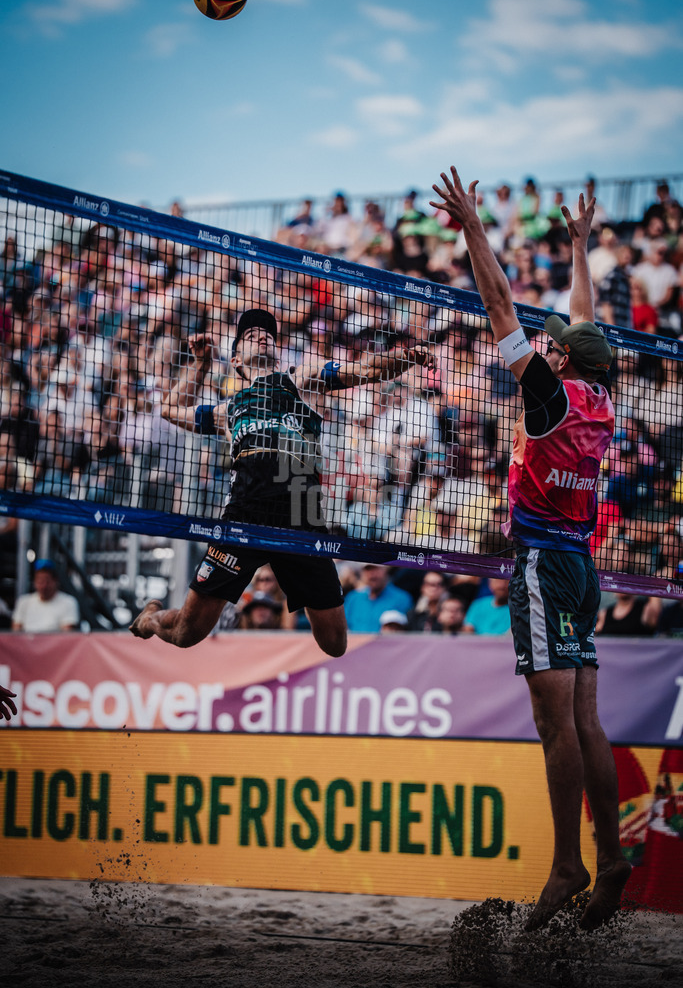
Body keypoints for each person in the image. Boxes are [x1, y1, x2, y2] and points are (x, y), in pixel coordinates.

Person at [431, 166, 630, 932]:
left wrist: (476, 230)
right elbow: (582, 326)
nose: (543, 347)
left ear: (563, 362)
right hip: (580, 566)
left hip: (547, 567)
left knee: (558, 727)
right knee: (586, 723)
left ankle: (568, 865)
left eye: (551, 348)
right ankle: (606, 856)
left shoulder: (547, 395)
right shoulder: (597, 394)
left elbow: (495, 306)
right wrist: (577, 248)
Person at [130, 308, 433, 656]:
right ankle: (153, 618)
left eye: (268, 333)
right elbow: (169, 410)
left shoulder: (299, 379)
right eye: (250, 334)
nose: (262, 335)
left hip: (300, 520)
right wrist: (200, 364)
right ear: (236, 359)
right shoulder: (229, 411)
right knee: (187, 633)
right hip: (243, 520)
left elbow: (367, 371)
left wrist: (406, 358)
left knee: (334, 644)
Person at [12, 558, 80, 632]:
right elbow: (16, 633)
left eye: (47, 581)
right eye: (40, 581)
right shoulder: (23, 602)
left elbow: (66, 634)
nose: (44, 586)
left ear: (55, 581)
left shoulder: (69, 602)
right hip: (27, 643)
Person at [344, 563, 414, 633]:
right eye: (368, 570)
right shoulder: (353, 598)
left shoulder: (402, 599)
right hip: (355, 642)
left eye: (376, 569)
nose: (372, 575)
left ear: (385, 570)